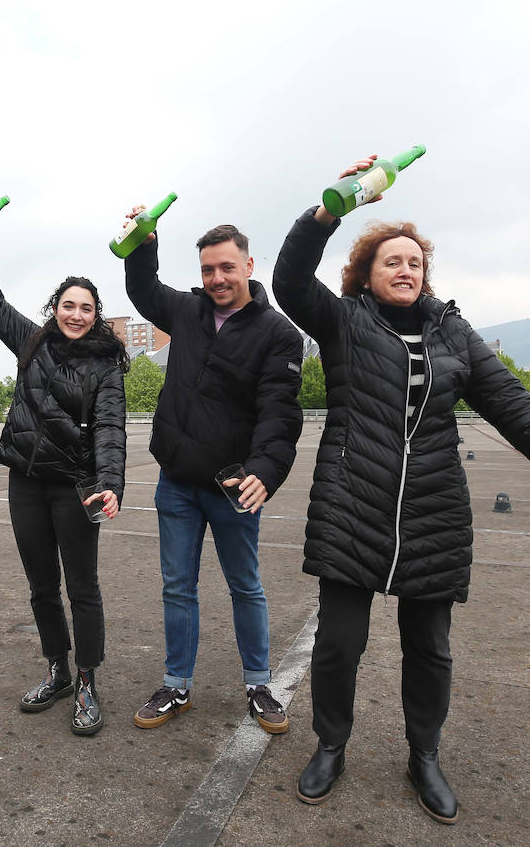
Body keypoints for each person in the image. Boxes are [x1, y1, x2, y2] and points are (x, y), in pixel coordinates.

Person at [271, 156, 530, 824]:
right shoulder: (342, 322)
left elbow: (508, 398)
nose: (404, 269)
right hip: (351, 508)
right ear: (365, 273)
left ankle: (423, 754)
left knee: (430, 647)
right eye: (390, 261)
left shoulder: (452, 331)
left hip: (433, 512)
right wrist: (330, 210)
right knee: (339, 644)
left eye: (414, 262)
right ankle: (330, 745)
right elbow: (286, 280)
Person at [122, 210, 304, 736]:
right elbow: (142, 289)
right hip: (176, 480)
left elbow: (279, 412)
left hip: (232, 487)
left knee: (244, 585)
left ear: (249, 264)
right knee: (177, 587)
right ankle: (176, 684)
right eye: (207, 270)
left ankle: (259, 684)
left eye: (226, 267)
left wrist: (265, 471)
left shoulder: (277, 334)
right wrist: (141, 242)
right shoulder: (187, 311)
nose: (217, 279)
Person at [0, 222, 127, 736]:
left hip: (76, 488)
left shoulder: (105, 364)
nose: (76, 315)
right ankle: (56, 669)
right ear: (56, 307)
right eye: (69, 305)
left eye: (87, 308)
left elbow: (110, 430)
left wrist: (110, 484)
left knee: (83, 588)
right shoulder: (32, 342)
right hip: (25, 484)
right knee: (41, 587)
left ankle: (87, 682)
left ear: (96, 316)